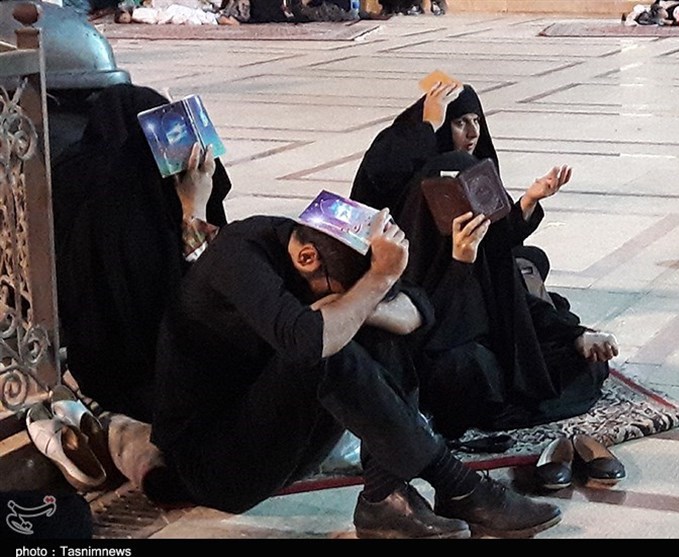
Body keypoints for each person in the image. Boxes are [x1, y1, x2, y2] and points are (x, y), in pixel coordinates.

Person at [149, 203, 563, 538]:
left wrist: (371, 295)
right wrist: (371, 286)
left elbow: (419, 311)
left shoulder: (321, 246)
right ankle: (457, 485)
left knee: (363, 322)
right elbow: (309, 343)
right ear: (306, 258)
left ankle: (385, 498)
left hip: (278, 441)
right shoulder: (240, 256)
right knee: (327, 345)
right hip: (213, 463)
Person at [350, 82, 619, 440]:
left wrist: (576, 337)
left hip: (487, 332)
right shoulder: (410, 229)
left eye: (477, 121)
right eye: (460, 122)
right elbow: (430, 320)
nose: (473, 132)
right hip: (441, 348)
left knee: (578, 355)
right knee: (467, 369)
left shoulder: (473, 176)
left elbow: (507, 297)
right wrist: (459, 263)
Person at [49, 83, 231, 500]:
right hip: (173, 380)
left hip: (99, 375)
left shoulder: (77, 180)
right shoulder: (152, 208)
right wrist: (195, 208)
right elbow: (205, 303)